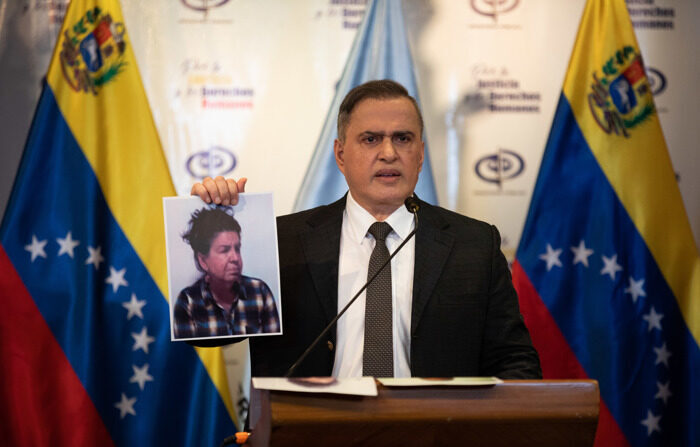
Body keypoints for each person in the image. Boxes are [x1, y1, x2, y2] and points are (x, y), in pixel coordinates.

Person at [192, 80, 541, 379]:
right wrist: (214, 219)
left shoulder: (474, 245)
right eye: (371, 139)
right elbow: (207, 333)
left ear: (420, 154)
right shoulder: (282, 241)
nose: (389, 153)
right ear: (341, 155)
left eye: (403, 139)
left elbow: (514, 361)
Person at [173, 207, 280, 339]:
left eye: (237, 248)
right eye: (224, 250)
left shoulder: (259, 291)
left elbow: (276, 347)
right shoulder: (188, 302)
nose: (235, 258)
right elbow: (189, 356)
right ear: (203, 260)